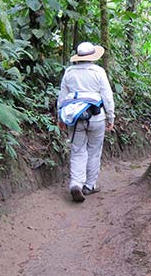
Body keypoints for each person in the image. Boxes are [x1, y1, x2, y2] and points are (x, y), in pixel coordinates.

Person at [58, 42, 115, 203]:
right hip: (97, 117)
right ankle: (89, 185)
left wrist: (60, 117)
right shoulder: (98, 72)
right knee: (94, 151)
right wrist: (111, 118)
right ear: (93, 57)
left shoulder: (69, 72)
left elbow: (62, 98)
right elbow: (107, 97)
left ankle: (76, 183)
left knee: (77, 150)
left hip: (75, 118)